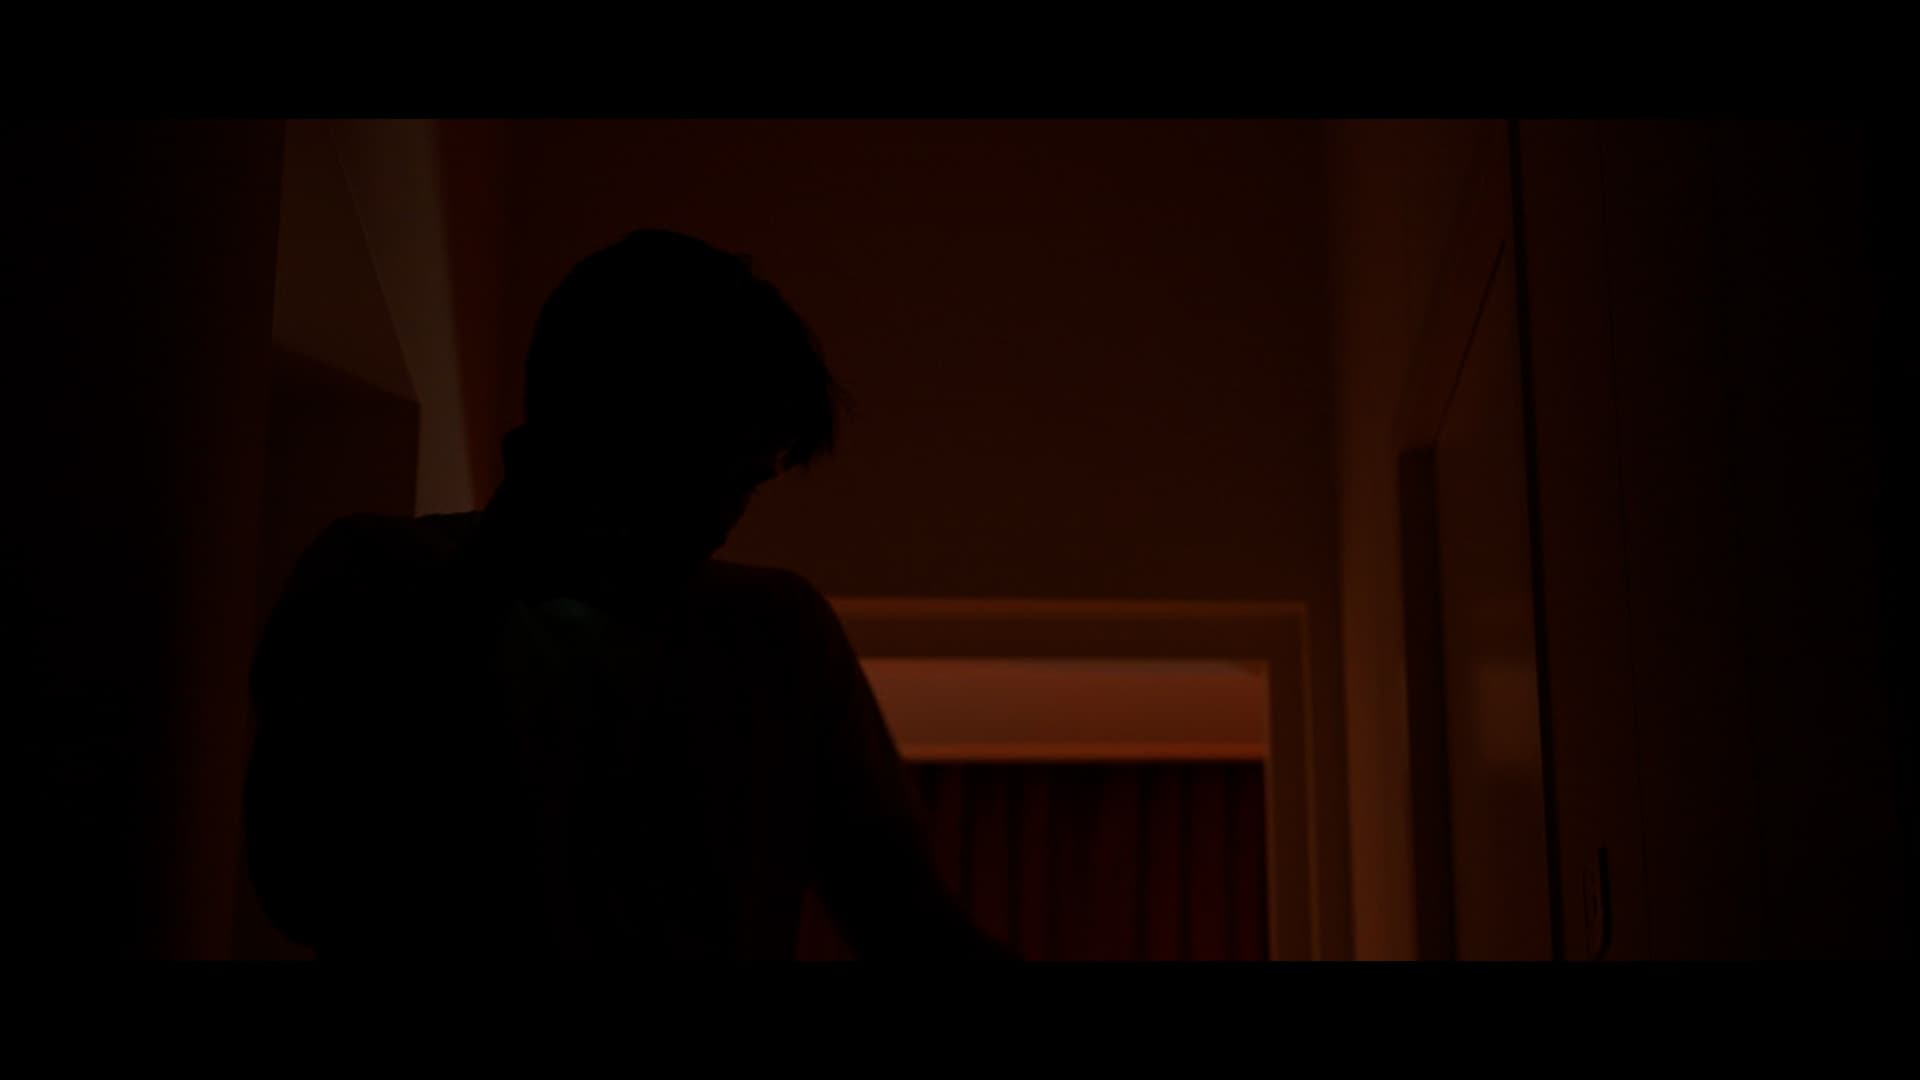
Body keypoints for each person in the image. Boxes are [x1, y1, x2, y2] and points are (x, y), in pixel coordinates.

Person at [244, 229, 1012, 960]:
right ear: (587, 432)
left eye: (746, 480)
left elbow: (901, 912)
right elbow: (303, 880)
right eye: (691, 471)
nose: (717, 522)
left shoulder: (781, 631)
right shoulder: (378, 580)